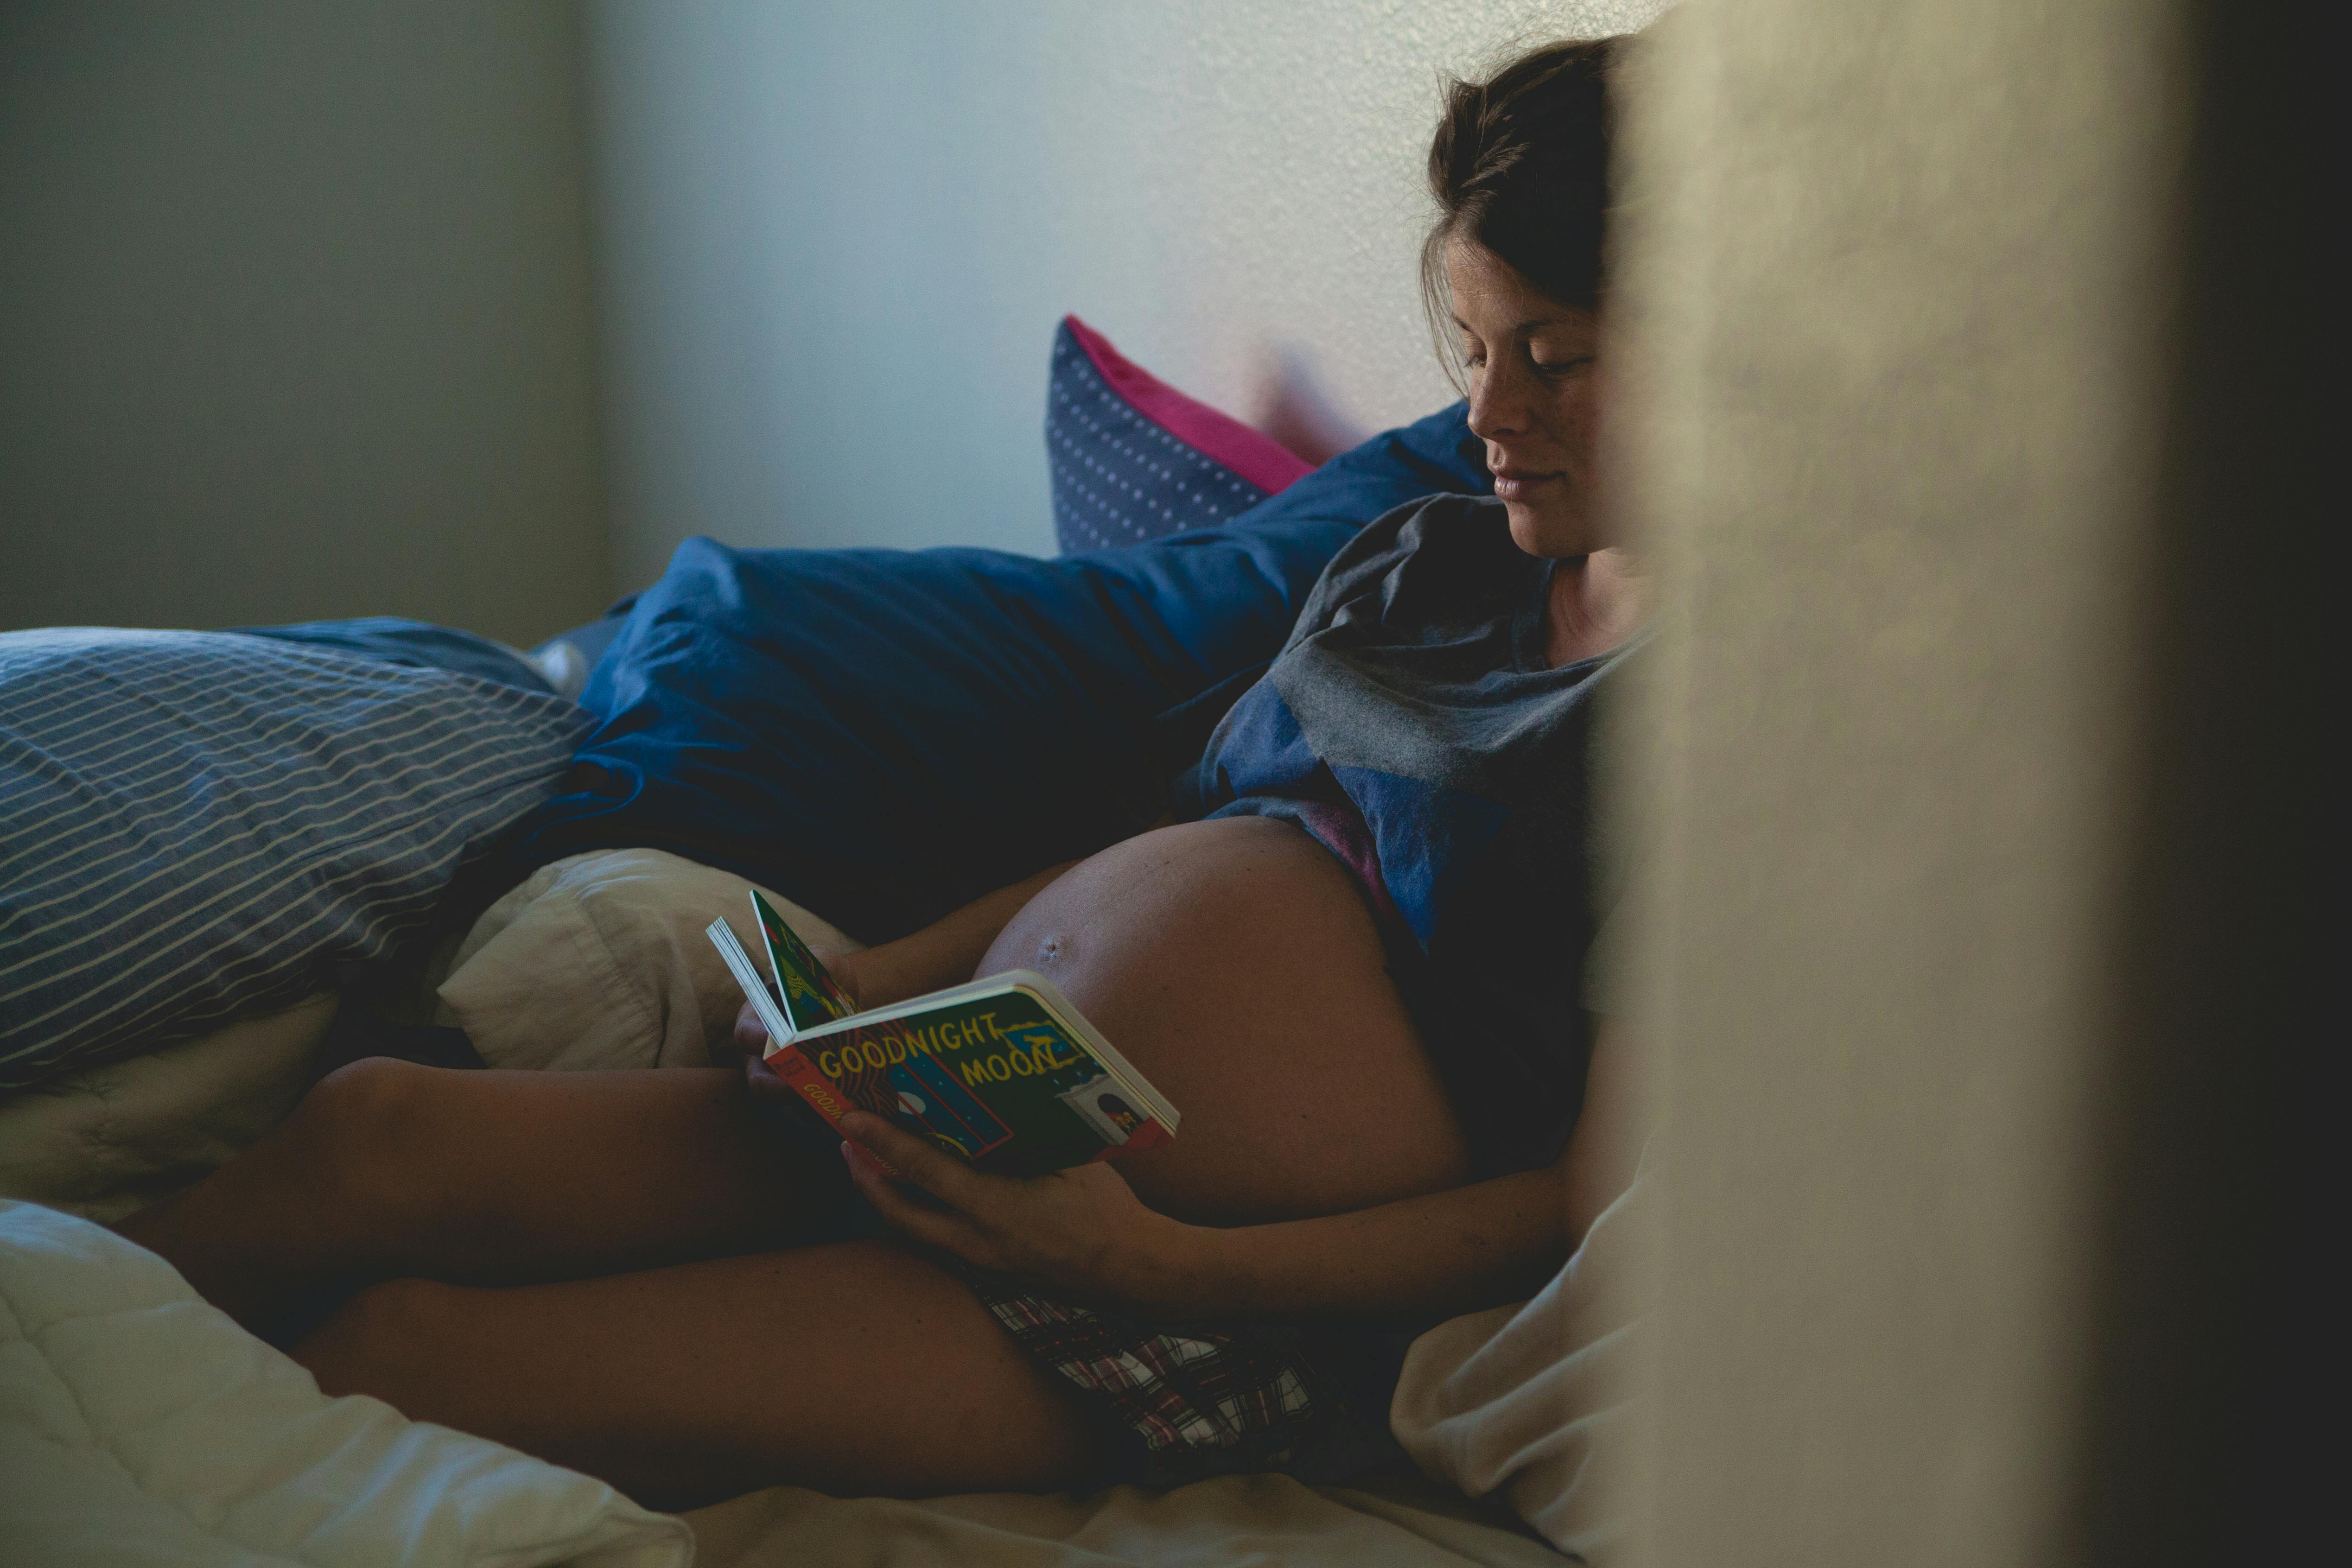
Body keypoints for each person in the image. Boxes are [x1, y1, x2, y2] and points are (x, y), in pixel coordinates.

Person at [118, 36, 1652, 1509]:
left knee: (415, 1360)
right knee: (374, 1134)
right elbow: (1214, 831)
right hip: (958, 1107)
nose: (1486, 418)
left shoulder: (1728, 743)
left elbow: (1577, 1203)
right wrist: (871, 988)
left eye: (1552, 358)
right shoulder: (1428, 559)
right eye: (1469, 351)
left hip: (1201, 1288)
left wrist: (1139, 1262)